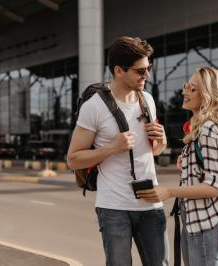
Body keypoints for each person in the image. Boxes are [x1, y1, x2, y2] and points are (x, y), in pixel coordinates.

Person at [67, 36, 168, 266]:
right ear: (119, 71)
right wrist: (113, 148)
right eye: (140, 71)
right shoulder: (94, 107)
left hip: (151, 204)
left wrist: (161, 140)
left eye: (149, 68)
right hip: (113, 207)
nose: (147, 76)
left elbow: (156, 152)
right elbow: (73, 159)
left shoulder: (148, 101)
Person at [138, 66, 218, 266]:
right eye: (187, 86)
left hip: (206, 223)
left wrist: (169, 191)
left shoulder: (209, 130)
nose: (185, 92)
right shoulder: (202, 128)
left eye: (193, 89)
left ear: (209, 95)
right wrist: (189, 164)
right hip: (196, 222)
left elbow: (213, 187)